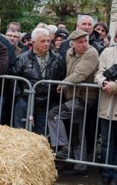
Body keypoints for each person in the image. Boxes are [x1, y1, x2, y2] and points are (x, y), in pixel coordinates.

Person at [47, 30, 99, 175]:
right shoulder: (69, 52)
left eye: (85, 41)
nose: (84, 44)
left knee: (53, 115)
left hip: (84, 98)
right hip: (73, 96)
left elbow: (80, 74)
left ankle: (62, 147)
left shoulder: (92, 53)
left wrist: (63, 83)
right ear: (73, 44)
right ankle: (81, 166)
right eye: (80, 42)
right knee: (76, 132)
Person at [11, 28, 65, 134]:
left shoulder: (57, 58)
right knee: (21, 131)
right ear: (33, 42)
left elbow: (62, 76)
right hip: (26, 99)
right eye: (43, 41)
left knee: (42, 133)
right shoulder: (22, 58)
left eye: (48, 41)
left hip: (48, 101)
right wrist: (19, 96)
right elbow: (14, 79)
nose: (46, 44)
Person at [95, 41, 117, 184]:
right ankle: (106, 173)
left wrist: (115, 86)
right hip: (107, 106)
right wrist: (103, 82)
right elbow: (98, 73)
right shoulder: (107, 52)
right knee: (106, 143)